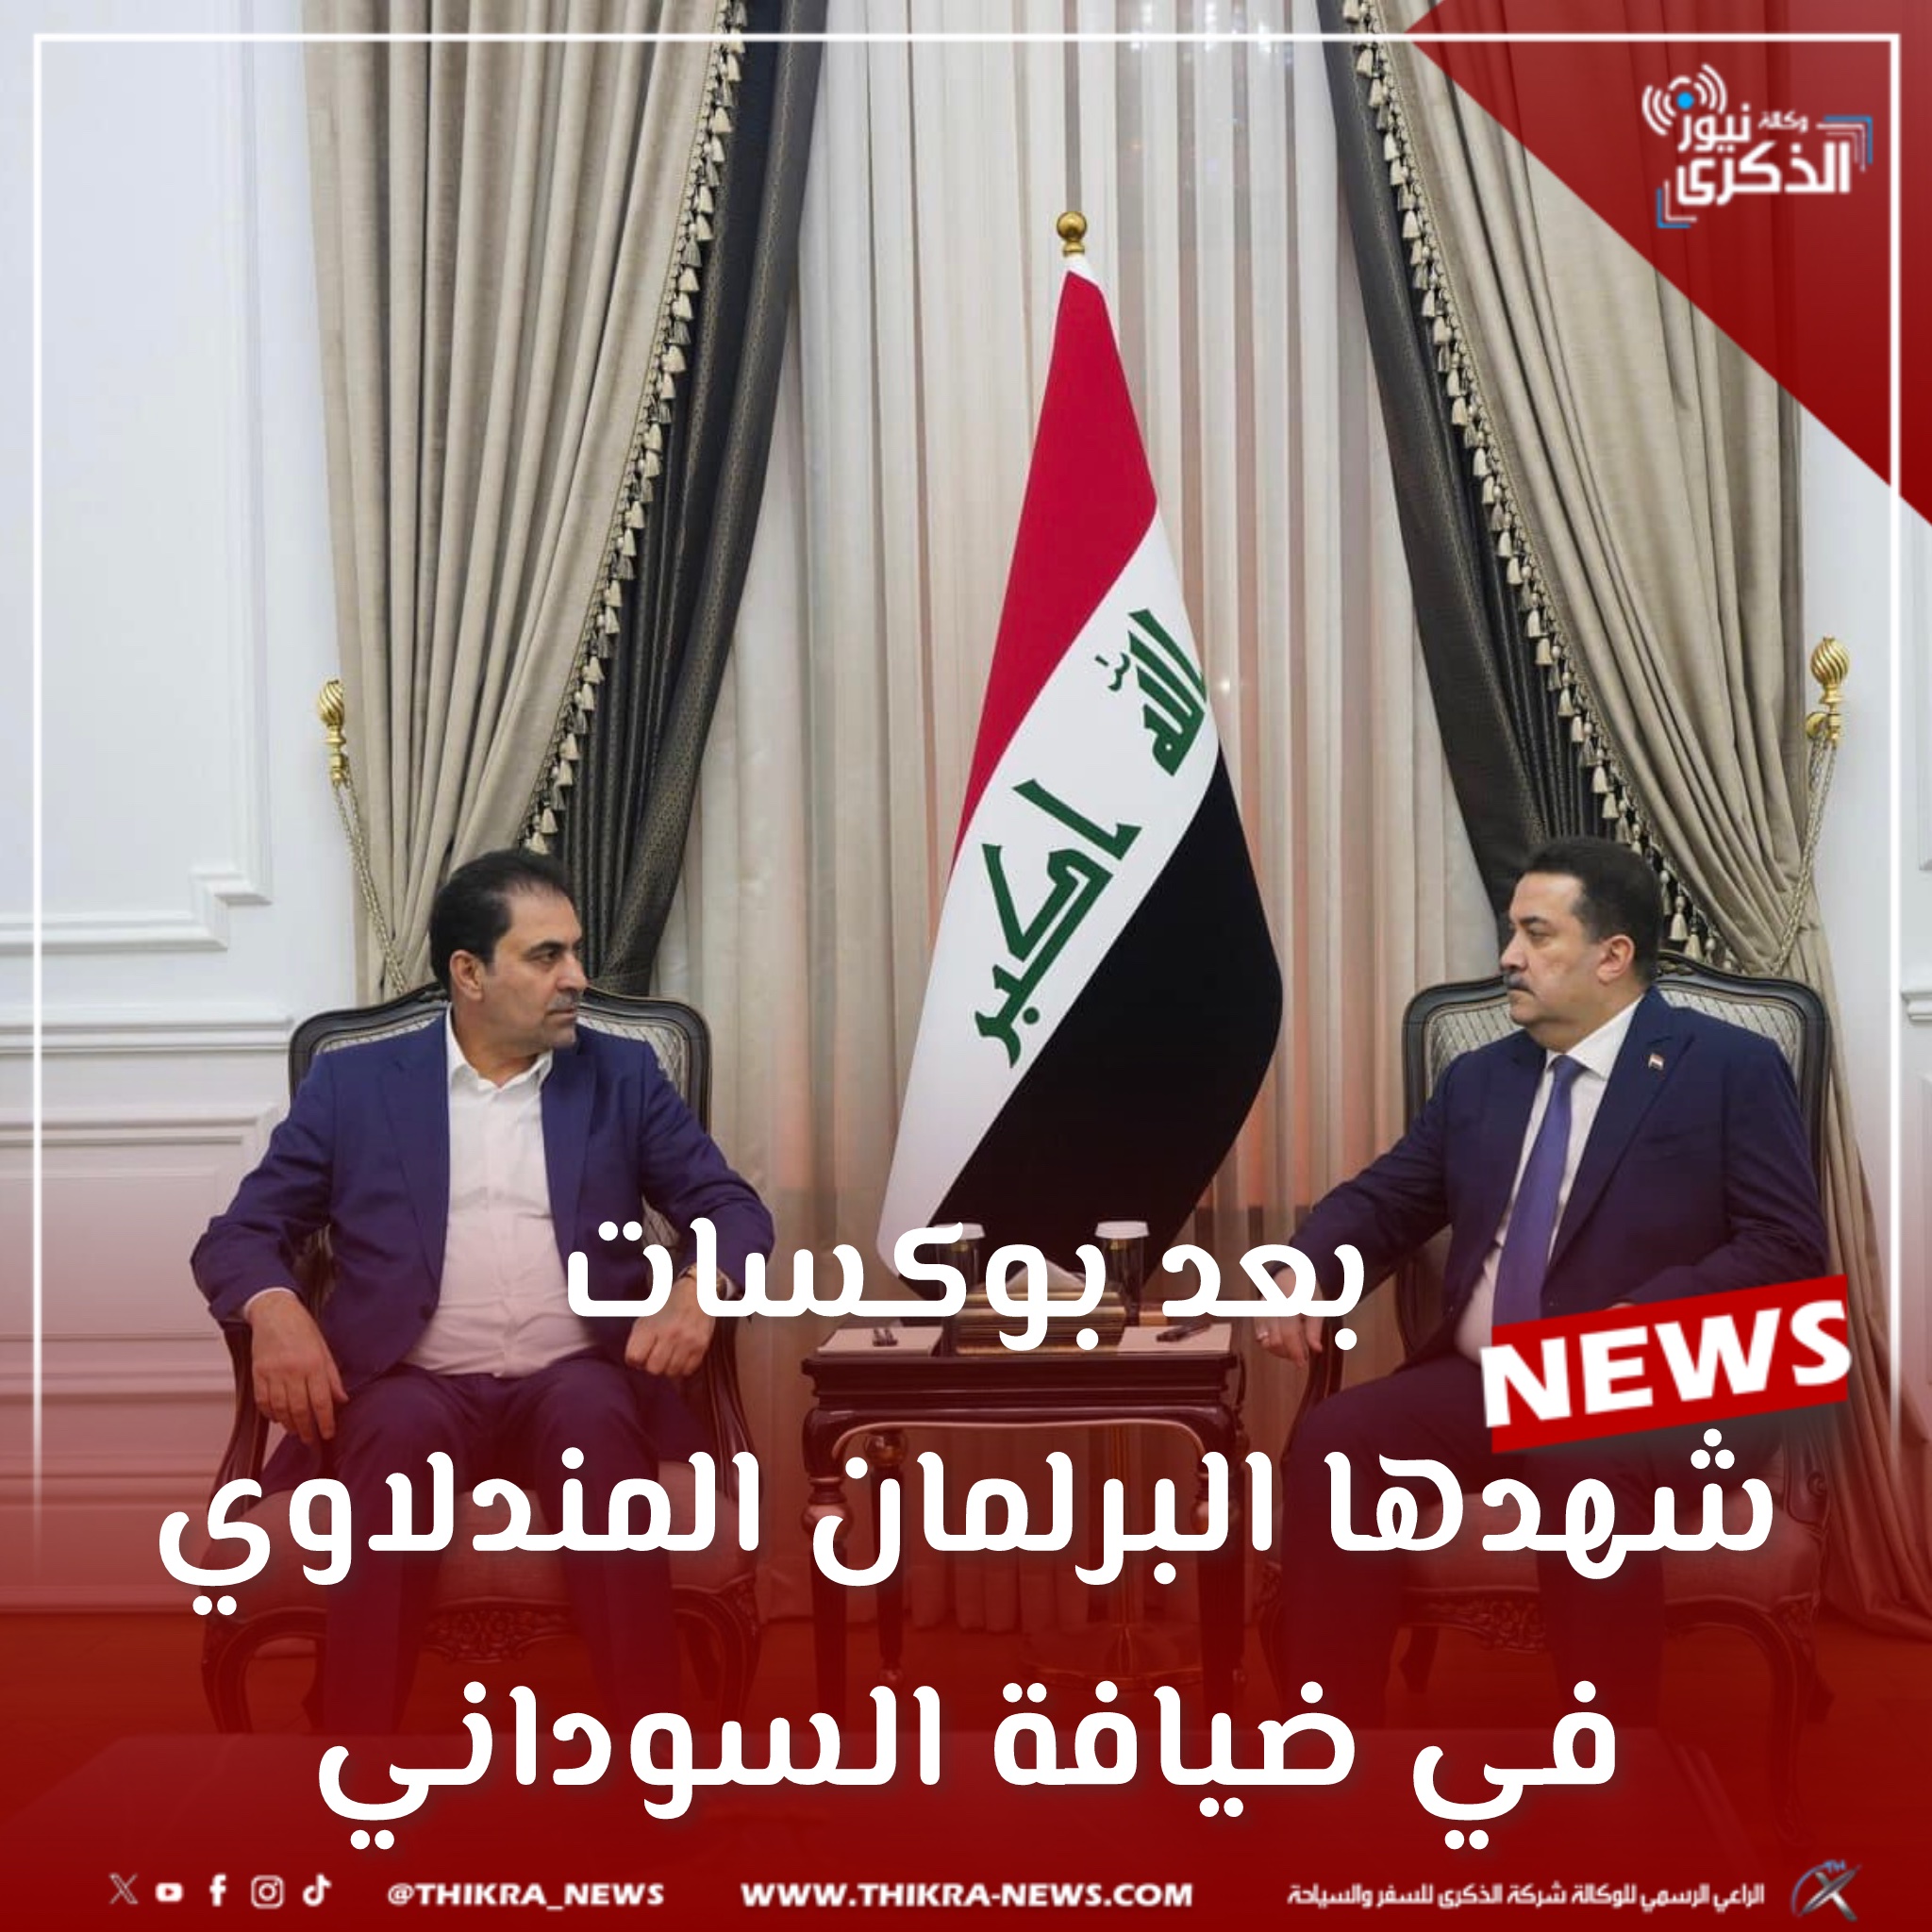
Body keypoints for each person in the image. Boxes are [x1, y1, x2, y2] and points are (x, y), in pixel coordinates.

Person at [192, 849, 774, 1732]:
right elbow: (239, 1234)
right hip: (410, 1384)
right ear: (469, 973)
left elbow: (730, 1207)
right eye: (546, 956)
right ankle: (357, 1753)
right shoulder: (356, 1087)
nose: (576, 977)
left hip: (575, 1377)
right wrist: (275, 1311)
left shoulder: (620, 1077)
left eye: (574, 951)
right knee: (394, 1435)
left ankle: (647, 1749)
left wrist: (701, 1286)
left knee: (595, 1420)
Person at [1262, 836, 1828, 1728]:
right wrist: (1301, 1269)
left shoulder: (1727, 1068)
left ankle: (1610, 1756)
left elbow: (1788, 1247)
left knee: (1582, 1450)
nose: (1509, 957)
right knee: (1338, 1440)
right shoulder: (1481, 1080)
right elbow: (1387, 1200)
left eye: (1536, 934)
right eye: (1511, 933)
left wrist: (1637, 1321)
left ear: (1612, 955)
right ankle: (1330, 1743)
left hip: (1650, 1382)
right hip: (1491, 1381)